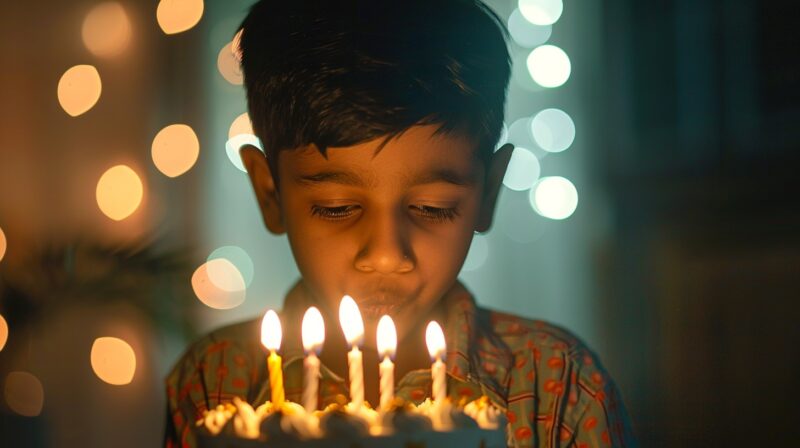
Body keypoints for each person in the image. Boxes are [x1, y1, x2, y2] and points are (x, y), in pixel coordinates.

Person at [165, 1, 636, 446]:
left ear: (488, 193)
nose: (387, 254)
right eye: (335, 207)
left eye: (433, 208)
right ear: (271, 194)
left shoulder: (557, 387)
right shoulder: (215, 383)